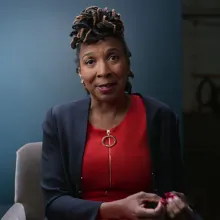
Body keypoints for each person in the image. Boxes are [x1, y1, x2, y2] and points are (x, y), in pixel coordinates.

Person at [41, 5, 200, 220]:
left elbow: (173, 190)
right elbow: (53, 204)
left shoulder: (160, 116)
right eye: (90, 62)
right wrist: (114, 209)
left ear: (128, 63)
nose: (103, 71)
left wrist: (176, 204)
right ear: (80, 72)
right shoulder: (58, 120)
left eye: (113, 57)